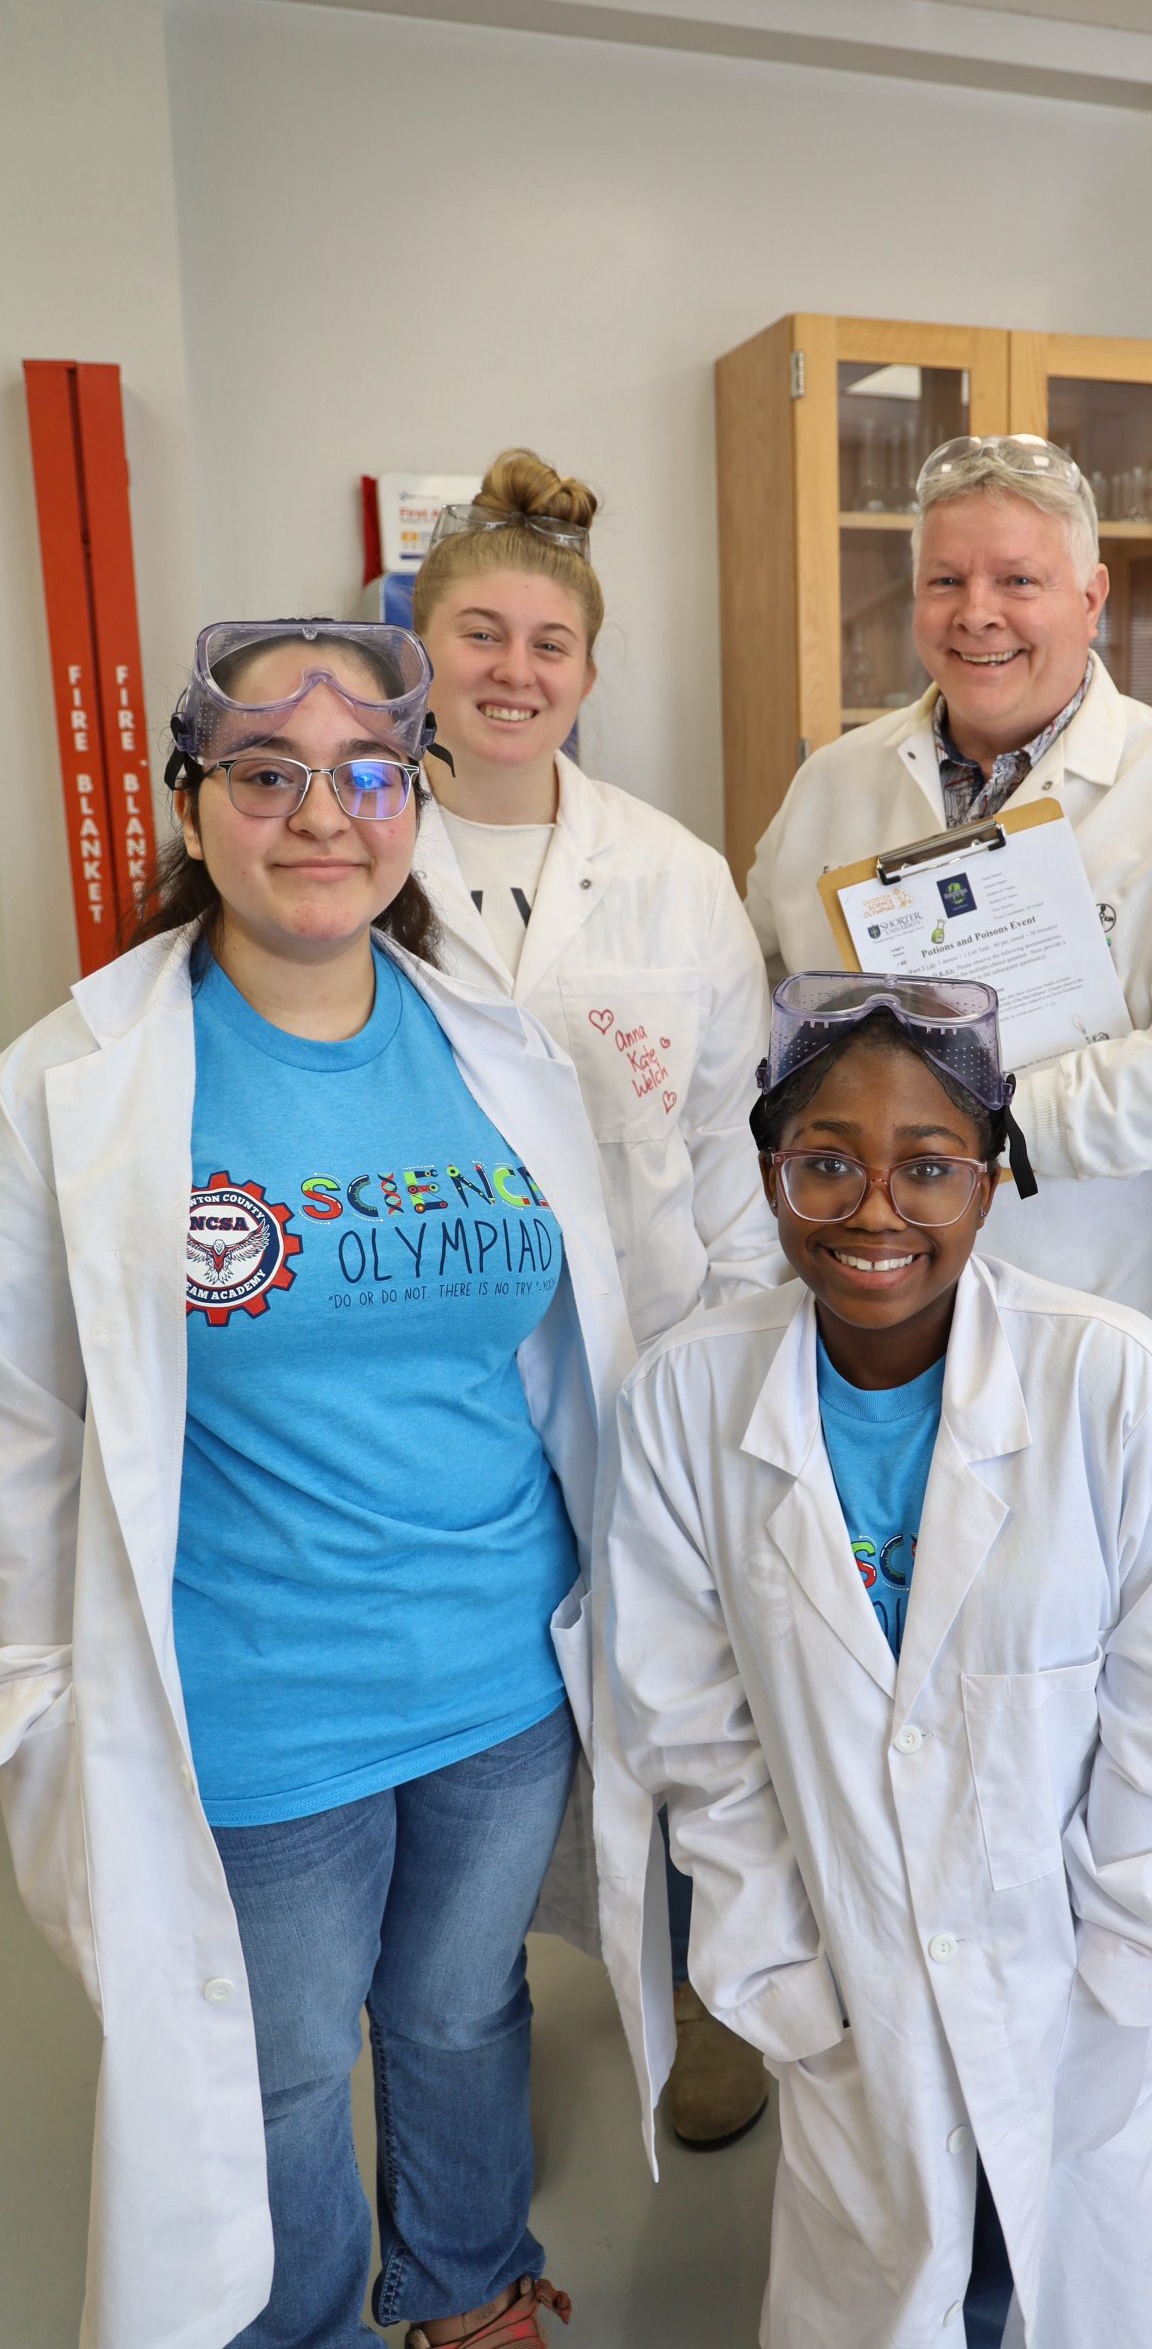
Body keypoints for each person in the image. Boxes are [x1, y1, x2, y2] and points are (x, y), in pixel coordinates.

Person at [0, 621, 638, 2349]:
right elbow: (21, 1428)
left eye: (365, 772)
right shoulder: (77, 1087)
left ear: (412, 803)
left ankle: (464, 2277)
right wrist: (32, 1703)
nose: (320, 815)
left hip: (507, 1674)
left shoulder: (495, 1049)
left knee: (457, 2010)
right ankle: (301, 2330)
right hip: (254, 1699)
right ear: (191, 805)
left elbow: (565, 1353)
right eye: (267, 774)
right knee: (276, 2065)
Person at [601, 971, 1152, 2349]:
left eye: (926, 1166)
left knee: (1064, 2283)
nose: (874, 1209)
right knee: (895, 2286)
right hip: (844, 1974)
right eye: (826, 1164)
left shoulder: (1110, 1382)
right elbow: (683, 1723)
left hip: (1080, 1984)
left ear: (989, 1186)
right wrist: (779, 1973)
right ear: (770, 1176)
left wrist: (1125, 1963)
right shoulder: (688, 1395)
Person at [410, 447, 782, 2146]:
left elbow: (723, 1153)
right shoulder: (348, 853)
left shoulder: (672, 873)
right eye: (477, 634)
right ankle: (463, 2019)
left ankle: (710, 1997)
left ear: (588, 672)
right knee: (478, 1749)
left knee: (690, 1715)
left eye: (545, 644)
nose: (510, 672)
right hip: (430, 1397)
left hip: (645, 1375)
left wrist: (736, 1377)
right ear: (417, 649)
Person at [744, 433, 1152, 1383]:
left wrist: (1002, 1122)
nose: (976, 614)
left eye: (1017, 581)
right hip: (856, 1304)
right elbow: (762, 994)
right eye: (944, 581)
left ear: (1092, 599)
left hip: (1088, 1318)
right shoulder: (832, 786)